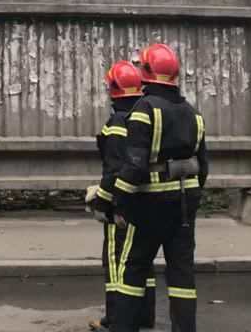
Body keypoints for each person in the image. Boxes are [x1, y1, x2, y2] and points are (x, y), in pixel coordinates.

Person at [106, 43, 208, 332]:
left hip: (149, 205)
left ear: (147, 73)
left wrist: (120, 205)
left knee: (135, 267)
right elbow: (203, 166)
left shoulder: (144, 109)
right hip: (185, 205)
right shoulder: (193, 113)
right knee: (182, 273)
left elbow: (134, 164)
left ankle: (123, 328)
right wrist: (193, 199)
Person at [86, 60, 156, 331]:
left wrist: (101, 201)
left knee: (116, 265)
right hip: (147, 199)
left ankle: (114, 319)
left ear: (113, 89)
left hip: (122, 205)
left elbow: (114, 171)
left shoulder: (117, 122)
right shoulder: (146, 114)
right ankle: (143, 316)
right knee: (142, 262)